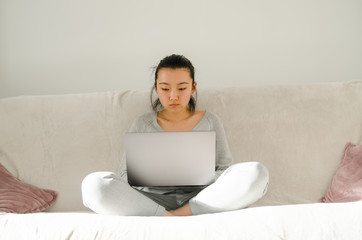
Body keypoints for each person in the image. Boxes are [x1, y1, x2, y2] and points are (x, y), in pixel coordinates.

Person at [81, 54, 269, 216]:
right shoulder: (142, 123)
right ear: (156, 88)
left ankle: (182, 213)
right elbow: (123, 175)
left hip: (202, 197)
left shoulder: (211, 121)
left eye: (181, 88)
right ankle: (163, 214)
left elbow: (225, 169)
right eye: (165, 89)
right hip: (149, 199)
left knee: (257, 173)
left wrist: (199, 177)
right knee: (93, 185)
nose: (173, 96)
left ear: (193, 88)